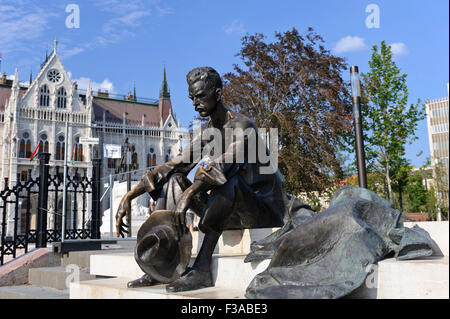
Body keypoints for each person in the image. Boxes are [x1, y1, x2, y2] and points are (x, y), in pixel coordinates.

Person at [115, 66, 286, 292]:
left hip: (262, 210)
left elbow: (224, 166)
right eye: (192, 98)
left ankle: (202, 269)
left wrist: (189, 196)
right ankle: (160, 265)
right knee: (175, 179)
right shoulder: (208, 132)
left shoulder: (243, 127)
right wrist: (131, 194)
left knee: (228, 180)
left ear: (217, 93)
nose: (195, 103)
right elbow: (174, 164)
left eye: (200, 96)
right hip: (232, 209)